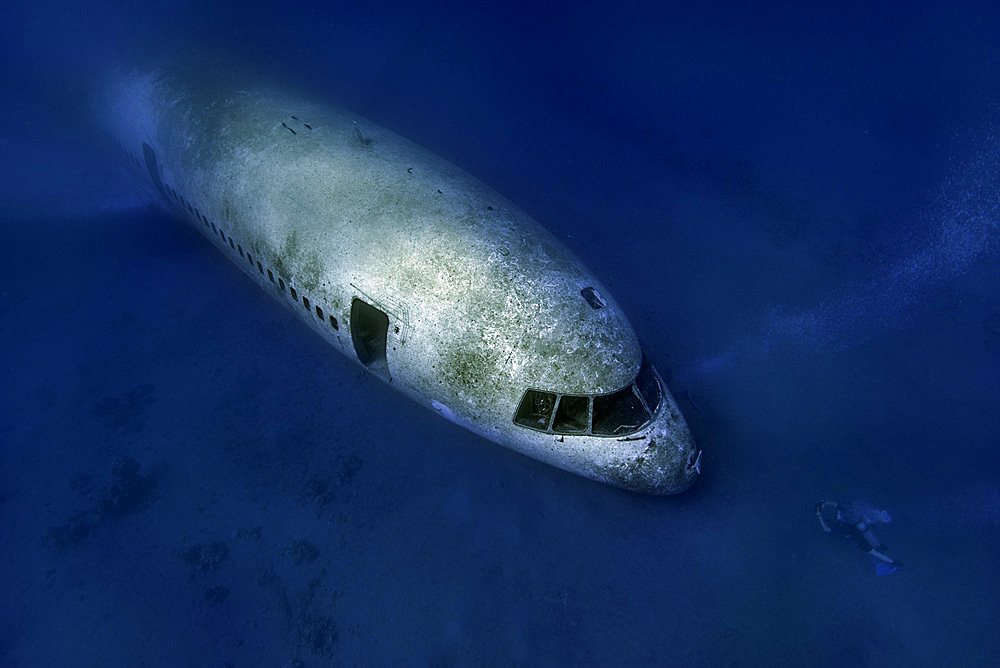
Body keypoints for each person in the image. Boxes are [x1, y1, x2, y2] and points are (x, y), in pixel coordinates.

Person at [815, 500, 902, 574]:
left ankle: (892, 561)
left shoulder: (843, 529)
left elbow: (826, 529)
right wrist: (826, 502)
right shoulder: (850, 519)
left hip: (858, 539)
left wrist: (819, 515)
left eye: (837, 515)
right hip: (860, 533)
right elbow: (837, 505)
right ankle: (890, 558)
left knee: (875, 553)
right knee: (875, 549)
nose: (837, 515)